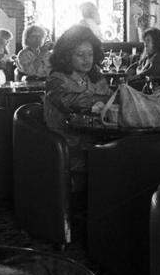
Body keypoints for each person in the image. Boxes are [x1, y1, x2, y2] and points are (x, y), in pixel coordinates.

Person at [43, 25, 113, 179]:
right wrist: (103, 101)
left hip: (96, 139)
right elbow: (69, 101)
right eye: (80, 54)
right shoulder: (57, 79)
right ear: (66, 56)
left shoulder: (95, 76)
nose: (87, 59)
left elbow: (111, 99)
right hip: (68, 146)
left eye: (90, 54)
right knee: (114, 157)